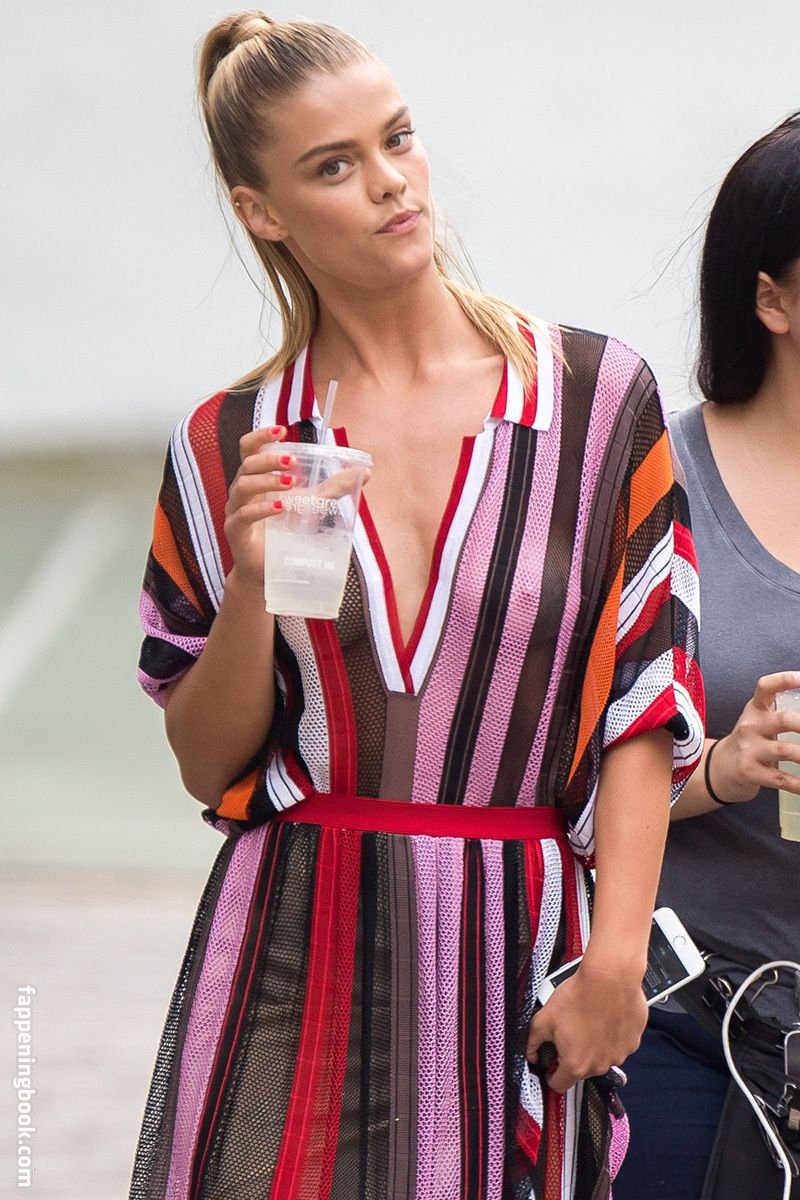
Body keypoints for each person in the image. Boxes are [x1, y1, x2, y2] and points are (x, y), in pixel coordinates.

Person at [129, 12, 704, 1199]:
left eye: (397, 139)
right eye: (334, 166)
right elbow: (206, 761)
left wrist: (614, 963)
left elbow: (643, 704)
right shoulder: (229, 441)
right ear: (262, 212)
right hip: (290, 957)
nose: (390, 182)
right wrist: (249, 584)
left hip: (520, 956)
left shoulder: (595, 402)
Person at [614, 113, 800, 1200]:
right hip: (686, 1020)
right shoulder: (652, 483)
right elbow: (554, 776)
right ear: (771, 301)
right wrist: (721, 766)